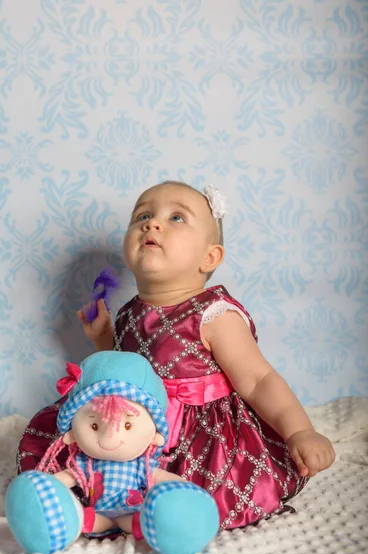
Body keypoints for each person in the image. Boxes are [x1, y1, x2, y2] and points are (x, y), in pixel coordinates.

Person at [19, 181, 335, 530]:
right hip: (133, 427)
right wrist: (104, 340)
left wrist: (300, 432)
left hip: (197, 436)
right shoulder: (127, 314)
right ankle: (74, 507)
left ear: (209, 257)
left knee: (190, 493)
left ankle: (166, 515)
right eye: (143, 214)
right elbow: (128, 377)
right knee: (74, 448)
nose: (152, 223)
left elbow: (259, 381)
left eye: (176, 218)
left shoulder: (214, 315)